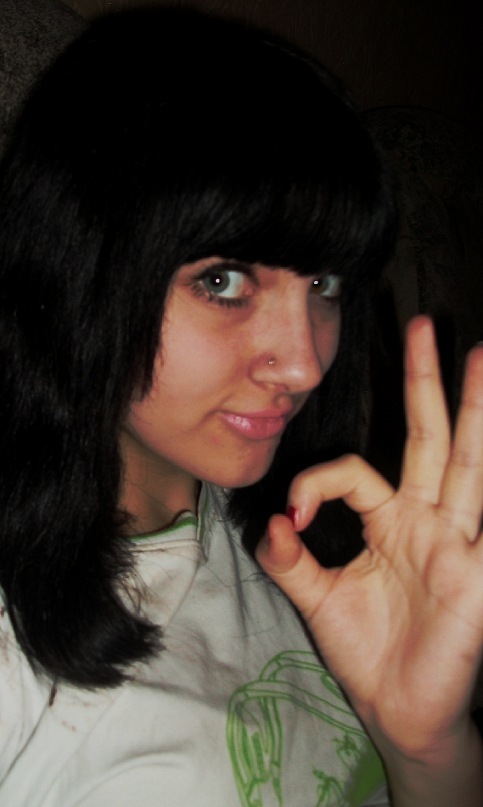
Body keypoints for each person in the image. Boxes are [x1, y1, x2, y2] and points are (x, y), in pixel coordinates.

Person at [0, 8, 481, 806]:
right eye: (222, 281)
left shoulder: (319, 552)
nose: (304, 362)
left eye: (323, 284)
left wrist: (428, 750)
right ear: (78, 267)